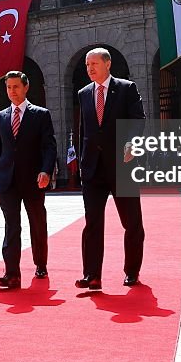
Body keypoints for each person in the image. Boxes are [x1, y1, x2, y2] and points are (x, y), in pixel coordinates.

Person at [76, 48, 146, 290]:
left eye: (94, 63)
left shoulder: (126, 88)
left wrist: (132, 143)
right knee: (92, 222)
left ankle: (132, 271)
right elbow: (84, 132)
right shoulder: (84, 93)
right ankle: (92, 275)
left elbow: (138, 120)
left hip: (122, 165)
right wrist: (81, 165)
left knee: (132, 222)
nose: (90, 68)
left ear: (108, 64)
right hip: (93, 170)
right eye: (87, 65)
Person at [0, 71, 57, 289]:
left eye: (16, 86)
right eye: (8, 87)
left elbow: (49, 146)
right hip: (7, 180)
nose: (12, 91)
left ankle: (40, 263)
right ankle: (12, 274)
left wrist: (46, 170)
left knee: (37, 224)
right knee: (12, 226)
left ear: (26, 87)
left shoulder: (41, 114)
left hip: (33, 180)